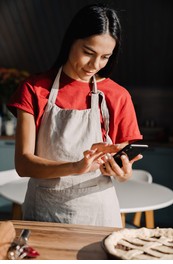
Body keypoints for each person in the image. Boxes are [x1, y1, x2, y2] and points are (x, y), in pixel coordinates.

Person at [8, 3, 142, 227]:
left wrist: (122, 173)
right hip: (43, 214)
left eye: (105, 57)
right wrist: (74, 167)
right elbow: (23, 165)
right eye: (88, 53)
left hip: (98, 216)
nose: (95, 65)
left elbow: (122, 168)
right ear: (71, 41)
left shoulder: (118, 96)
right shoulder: (33, 89)